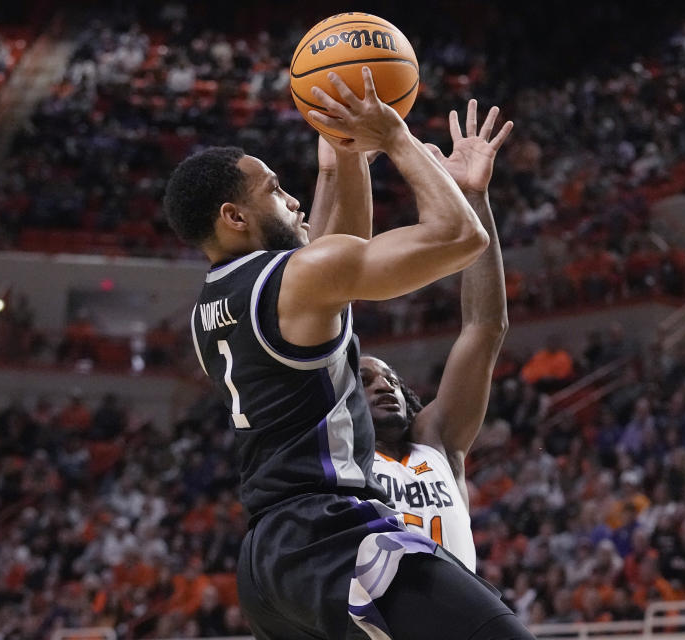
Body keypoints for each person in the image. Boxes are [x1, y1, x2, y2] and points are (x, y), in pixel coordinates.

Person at [164, 68, 530, 640]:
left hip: (271, 559)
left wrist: (344, 154)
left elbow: (340, 252)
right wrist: (394, 138)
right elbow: (462, 239)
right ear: (234, 218)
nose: (292, 200)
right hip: (329, 530)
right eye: (276, 191)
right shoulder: (292, 279)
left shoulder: (212, 306)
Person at [362, 99, 510, 573]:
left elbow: (485, 328)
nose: (383, 385)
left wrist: (474, 200)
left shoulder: (435, 438)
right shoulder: (337, 454)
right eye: (364, 381)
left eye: (387, 377)